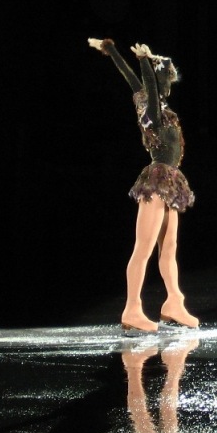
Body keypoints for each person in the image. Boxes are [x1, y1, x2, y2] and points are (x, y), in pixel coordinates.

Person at [88, 38, 199, 334]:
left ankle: (174, 302)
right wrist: (145, 60)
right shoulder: (151, 108)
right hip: (157, 179)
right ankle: (132, 308)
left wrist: (110, 49)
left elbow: (130, 78)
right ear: (161, 83)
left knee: (170, 246)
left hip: (171, 180)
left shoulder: (157, 108)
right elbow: (145, 84)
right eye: (167, 80)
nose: (170, 85)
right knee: (144, 247)